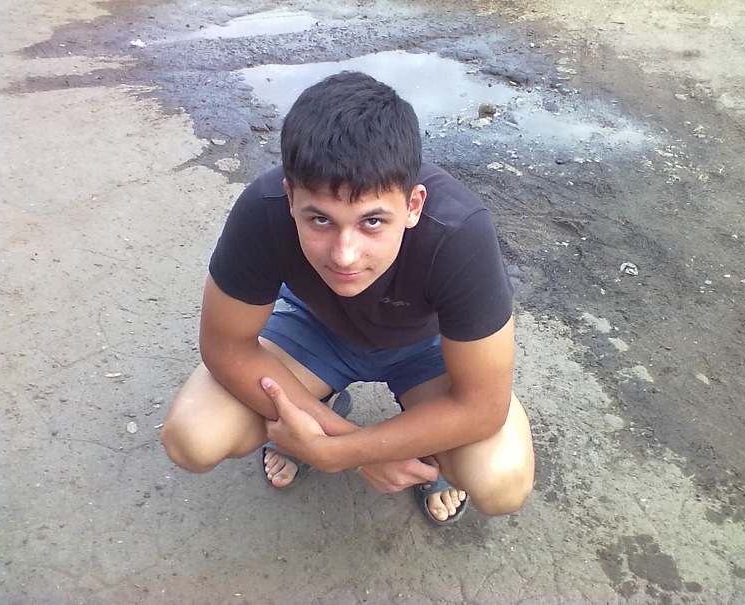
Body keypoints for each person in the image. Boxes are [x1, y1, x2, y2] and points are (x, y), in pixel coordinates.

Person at [160, 71, 534, 525]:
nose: (345, 255)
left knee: (500, 480)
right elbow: (225, 347)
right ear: (289, 197)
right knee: (193, 437)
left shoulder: (459, 232)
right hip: (316, 329)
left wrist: (341, 452)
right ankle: (329, 407)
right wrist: (345, 444)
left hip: (427, 346)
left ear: (413, 205)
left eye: (372, 222)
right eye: (320, 219)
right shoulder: (262, 210)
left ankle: (426, 448)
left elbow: (482, 405)